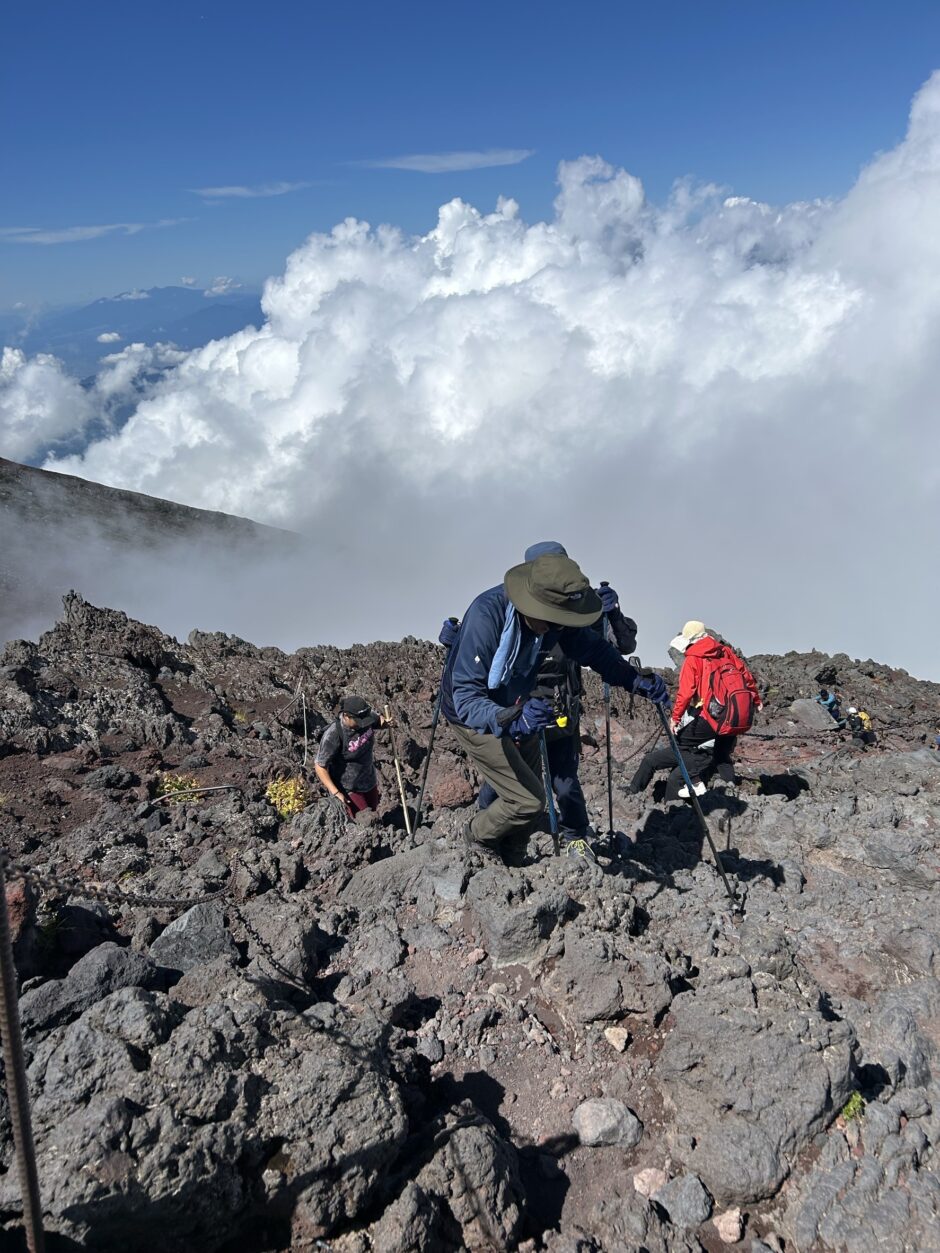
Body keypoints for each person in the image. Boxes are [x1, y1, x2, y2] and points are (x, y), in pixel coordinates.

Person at [441, 552, 668, 865]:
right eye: (553, 619)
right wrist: (510, 720)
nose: (559, 629)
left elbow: (596, 651)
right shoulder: (487, 616)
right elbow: (466, 696)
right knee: (527, 800)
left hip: (518, 706)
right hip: (474, 715)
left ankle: (515, 856)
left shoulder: (555, 622)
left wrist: (633, 680)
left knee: (531, 790)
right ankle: (477, 836)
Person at [631, 621, 759, 800]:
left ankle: (694, 779)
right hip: (732, 713)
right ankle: (730, 792)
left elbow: (685, 693)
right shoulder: (725, 651)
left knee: (681, 742)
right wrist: (756, 700)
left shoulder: (693, 659)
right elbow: (746, 676)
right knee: (722, 754)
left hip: (711, 714)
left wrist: (675, 718)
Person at [314, 695, 393, 817]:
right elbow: (320, 766)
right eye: (358, 721)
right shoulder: (333, 735)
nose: (363, 724)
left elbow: (379, 721)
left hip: (369, 780)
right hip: (349, 788)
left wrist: (387, 722)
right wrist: (336, 793)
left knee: (374, 815)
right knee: (364, 820)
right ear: (346, 716)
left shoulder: (366, 716)